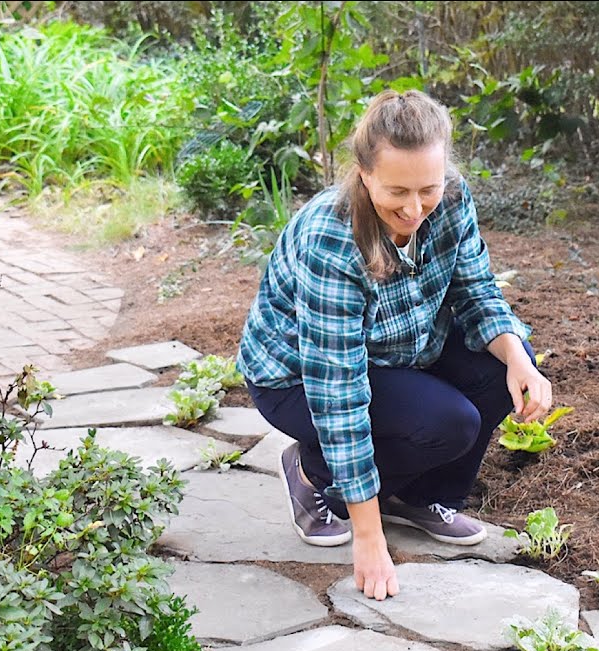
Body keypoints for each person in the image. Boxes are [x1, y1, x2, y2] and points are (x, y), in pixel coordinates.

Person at [236, 89, 552, 602]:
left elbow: (475, 291)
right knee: (448, 423)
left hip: (399, 349)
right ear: (364, 174)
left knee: (505, 370)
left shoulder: (452, 198)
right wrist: (367, 536)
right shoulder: (332, 239)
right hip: (299, 380)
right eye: (397, 191)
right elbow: (338, 392)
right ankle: (313, 475)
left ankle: (416, 497)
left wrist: (520, 361)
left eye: (427, 189)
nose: (414, 208)